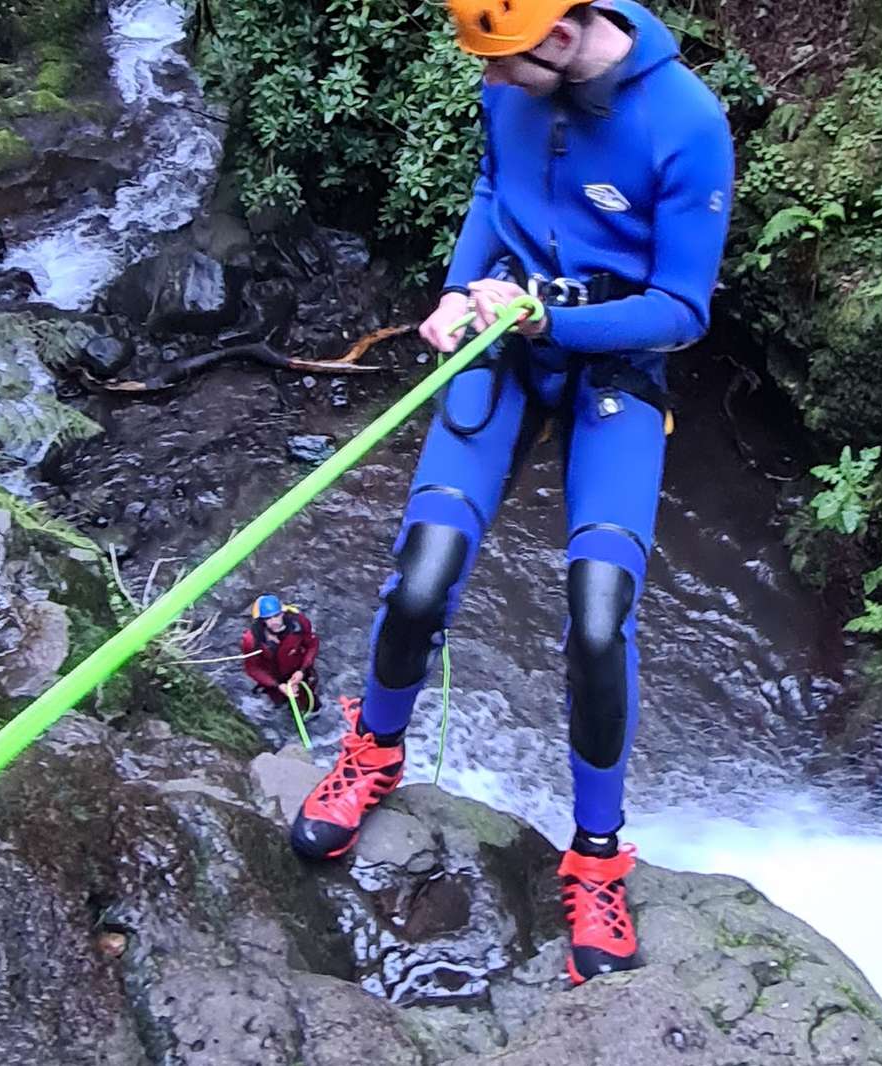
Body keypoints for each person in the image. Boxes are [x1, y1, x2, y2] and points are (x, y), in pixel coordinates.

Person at [285, 0, 733, 986]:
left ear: (563, 36)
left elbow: (682, 309)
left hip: (611, 365)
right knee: (421, 575)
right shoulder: (515, 88)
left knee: (599, 618)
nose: (487, 85)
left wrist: (547, 323)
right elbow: (493, 190)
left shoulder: (687, 125)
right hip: (505, 340)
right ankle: (374, 754)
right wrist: (457, 291)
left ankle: (597, 858)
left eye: (502, 66)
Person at [241, 595, 319, 711]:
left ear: (282, 613)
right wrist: (277, 685)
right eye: (268, 619)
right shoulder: (252, 640)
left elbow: (312, 645)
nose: (274, 622)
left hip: (299, 670)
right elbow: (253, 668)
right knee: (280, 706)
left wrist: (302, 670)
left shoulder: (299, 623)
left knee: (313, 704)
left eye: (276, 616)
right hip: (275, 679)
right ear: (263, 620)